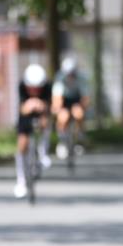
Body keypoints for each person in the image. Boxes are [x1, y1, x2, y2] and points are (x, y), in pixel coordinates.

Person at [14, 63, 52, 198]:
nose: (35, 91)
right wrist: (28, 107)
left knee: (45, 122)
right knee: (22, 144)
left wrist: (42, 106)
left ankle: (43, 153)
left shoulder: (48, 87)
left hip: (42, 113)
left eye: (38, 88)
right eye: (32, 88)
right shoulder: (21, 86)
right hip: (25, 114)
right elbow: (21, 108)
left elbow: (50, 107)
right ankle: (21, 179)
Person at [52, 56, 90, 160]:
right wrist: (58, 109)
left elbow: (85, 97)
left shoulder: (82, 78)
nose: (70, 76)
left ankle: (79, 137)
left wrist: (83, 108)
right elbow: (57, 98)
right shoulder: (60, 78)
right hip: (64, 100)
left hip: (76, 99)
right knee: (62, 117)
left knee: (79, 114)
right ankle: (62, 141)